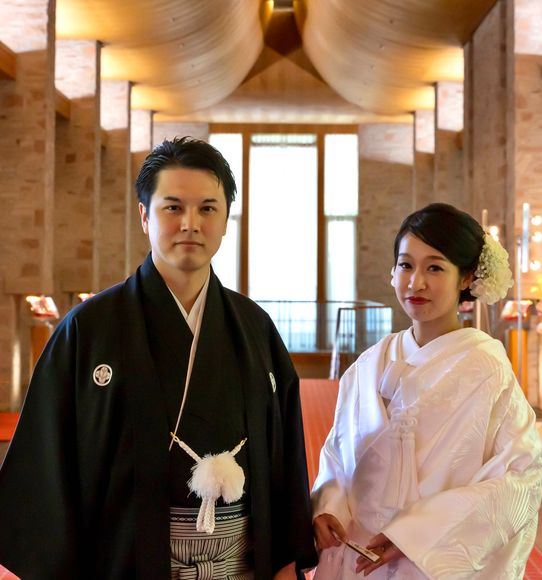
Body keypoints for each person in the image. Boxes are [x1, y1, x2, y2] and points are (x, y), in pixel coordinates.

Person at [0, 137, 317, 579]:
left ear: (226, 220)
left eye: (208, 208)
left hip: (238, 563)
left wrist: (285, 560)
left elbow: (285, 459)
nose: (191, 223)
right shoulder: (88, 329)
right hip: (124, 562)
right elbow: (46, 463)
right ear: (144, 215)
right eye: (173, 207)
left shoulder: (255, 327)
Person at [311, 203, 542, 579]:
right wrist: (328, 506)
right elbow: (338, 452)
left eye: (434, 268)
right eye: (406, 265)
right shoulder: (370, 362)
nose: (416, 282)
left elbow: (519, 473)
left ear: (466, 277)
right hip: (359, 555)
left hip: (428, 557)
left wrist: (416, 533)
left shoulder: (486, 367)